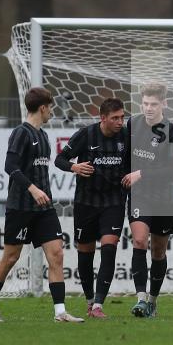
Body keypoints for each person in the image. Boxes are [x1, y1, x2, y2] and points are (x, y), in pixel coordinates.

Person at [0, 87, 83, 323]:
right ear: (43, 108)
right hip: (20, 207)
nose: (52, 112)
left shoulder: (44, 136)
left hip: (44, 208)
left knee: (56, 255)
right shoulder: (21, 133)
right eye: (51, 108)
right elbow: (10, 166)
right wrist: (32, 189)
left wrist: (44, 189)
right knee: (10, 258)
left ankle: (60, 312)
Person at [55, 97, 128, 318]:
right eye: (115, 118)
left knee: (109, 247)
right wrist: (74, 166)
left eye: (122, 117)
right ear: (103, 118)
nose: (119, 122)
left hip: (114, 201)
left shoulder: (126, 137)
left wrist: (134, 174)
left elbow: (137, 162)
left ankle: (98, 305)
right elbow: (59, 159)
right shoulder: (85, 135)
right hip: (86, 202)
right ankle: (89, 299)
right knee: (85, 253)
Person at [124, 83, 173, 319]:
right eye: (145, 103)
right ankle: (140, 299)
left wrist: (141, 173)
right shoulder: (133, 124)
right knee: (139, 241)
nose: (149, 108)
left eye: (154, 104)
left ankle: (152, 300)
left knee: (158, 251)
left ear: (164, 104)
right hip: (140, 195)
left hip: (165, 199)